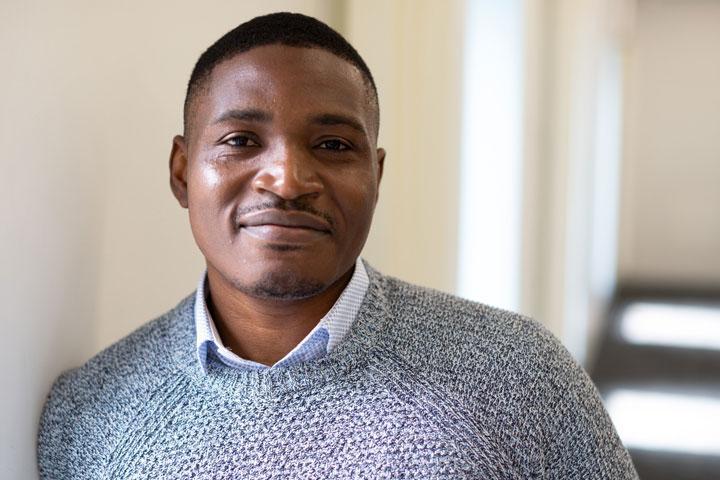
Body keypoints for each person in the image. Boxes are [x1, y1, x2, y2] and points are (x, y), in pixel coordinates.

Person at [37, 12, 638, 479]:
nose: (288, 179)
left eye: (332, 146)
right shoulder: (89, 413)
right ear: (181, 173)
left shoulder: (519, 373)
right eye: (242, 139)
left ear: (376, 177)